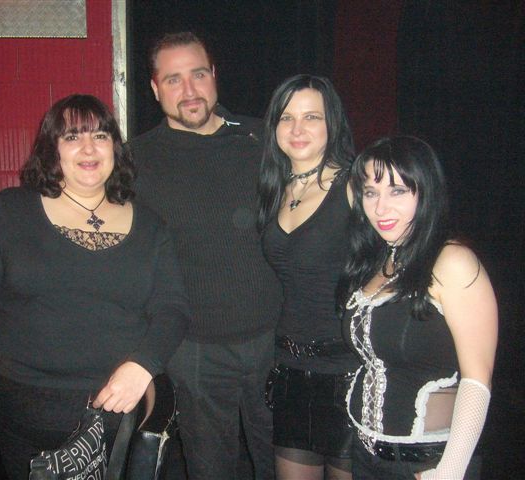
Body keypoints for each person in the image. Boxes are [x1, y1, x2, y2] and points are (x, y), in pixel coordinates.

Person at [0, 94, 189, 479]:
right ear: (51, 149)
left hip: (119, 408)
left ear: (115, 147)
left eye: (100, 135)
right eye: (72, 136)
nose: (89, 148)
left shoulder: (150, 226)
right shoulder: (11, 212)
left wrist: (143, 364)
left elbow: (173, 310)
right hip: (28, 411)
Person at [127, 32, 282, 479]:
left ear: (214, 75)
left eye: (198, 74)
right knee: (209, 469)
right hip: (194, 349)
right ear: (155, 89)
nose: (189, 90)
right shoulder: (136, 159)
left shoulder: (263, 139)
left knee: (284, 465)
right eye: (173, 80)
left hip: (274, 340)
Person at [337, 136, 497, 479]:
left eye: (397, 191)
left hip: (427, 464)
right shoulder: (380, 260)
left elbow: (477, 380)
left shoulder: (452, 262)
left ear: (425, 191)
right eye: (371, 193)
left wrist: (449, 472)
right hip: (365, 456)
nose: (381, 208)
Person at [257, 74, 358, 480]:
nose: (297, 129)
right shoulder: (275, 187)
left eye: (311, 117)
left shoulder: (355, 184)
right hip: (290, 370)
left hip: (349, 369)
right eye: (287, 117)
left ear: (332, 123)